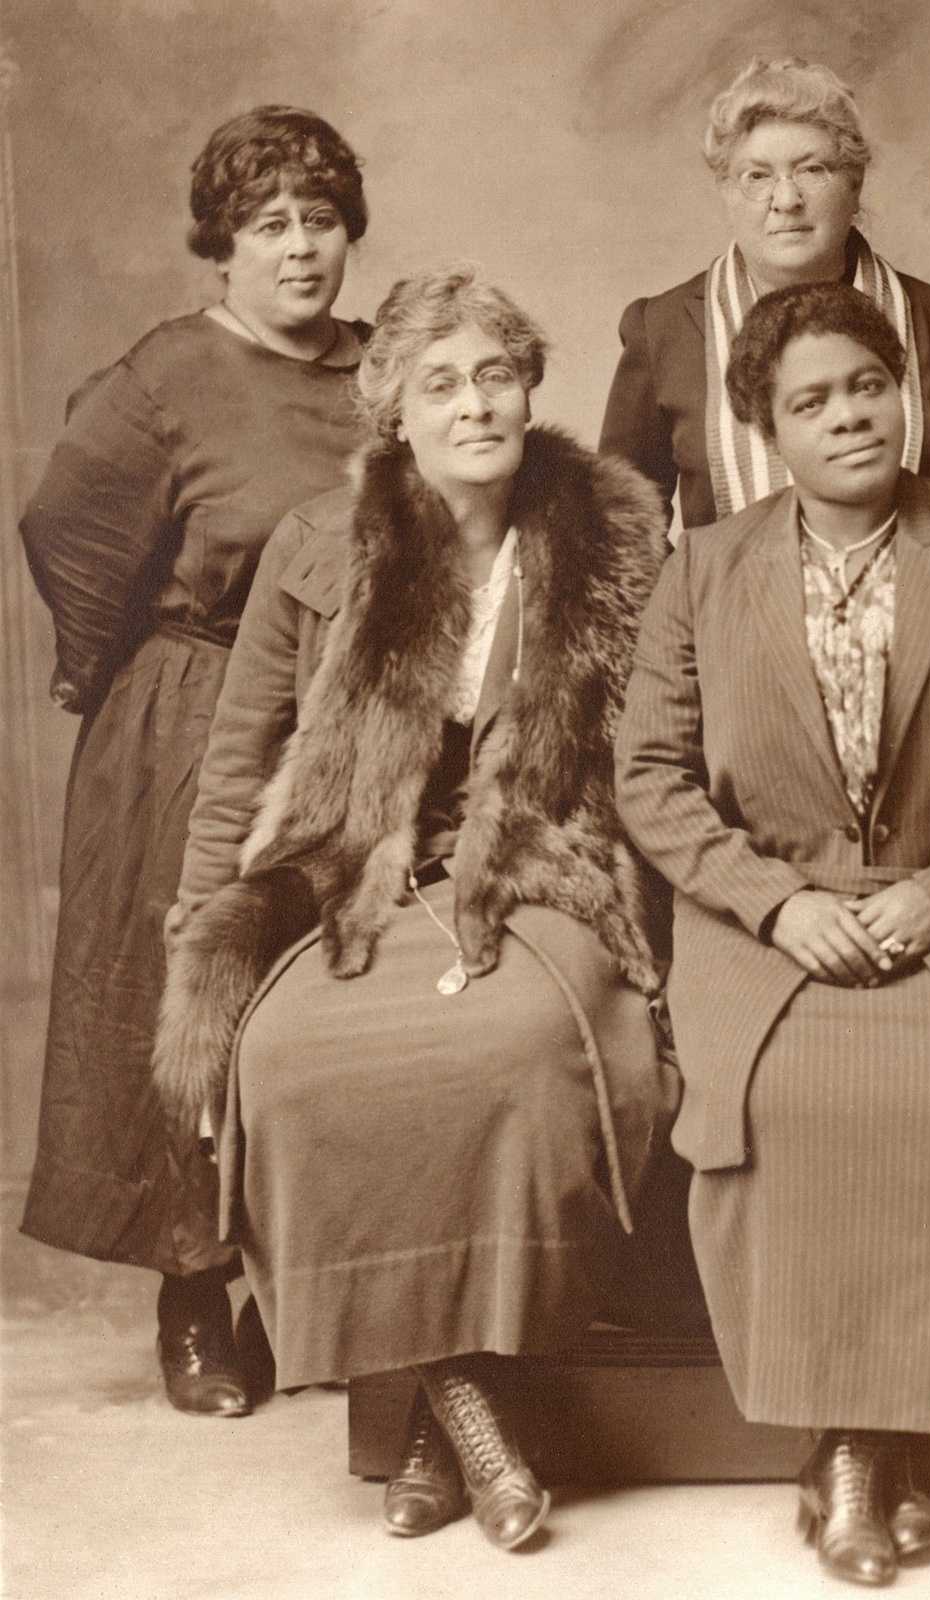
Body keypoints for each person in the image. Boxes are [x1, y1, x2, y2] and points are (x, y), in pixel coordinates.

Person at [153, 267, 671, 1551]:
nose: (476, 403)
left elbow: (669, 747)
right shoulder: (321, 546)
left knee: (519, 1055)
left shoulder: (614, 529)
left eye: (497, 373)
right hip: (354, 869)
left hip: (545, 861)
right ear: (391, 412)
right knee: (290, 1056)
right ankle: (467, 1411)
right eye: (441, 383)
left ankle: (452, 1429)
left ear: (531, 386)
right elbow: (240, 755)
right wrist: (197, 927)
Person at [617, 282, 930, 1587]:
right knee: (789, 1099)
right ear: (766, 430)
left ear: (916, 397)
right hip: (767, 920)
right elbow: (650, 776)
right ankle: (852, 1447)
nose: (849, 417)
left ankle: (879, 1448)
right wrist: (781, 902)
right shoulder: (705, 568)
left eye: (868, 388)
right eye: (812, 401)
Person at [16, 104, 371, 1416]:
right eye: (269, 225)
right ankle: (191, 1297)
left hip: (338, 726)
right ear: (221, 246)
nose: (299, 250)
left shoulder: (382, 370)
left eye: (320, 221)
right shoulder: (170, 372)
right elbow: (68, 523)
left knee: (318, 1003)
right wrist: (121, 671)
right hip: (196, 720)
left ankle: (298, 1282)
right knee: (196, 1000)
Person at [598, 55, 930, 532]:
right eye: (757, 176)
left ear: (855, 181)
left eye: (812, 170)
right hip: (724, 606)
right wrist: (692, 600)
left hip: (916, 603)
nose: (786, 201)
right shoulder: (662, 329)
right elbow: (618, 528)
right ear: (725, 189)